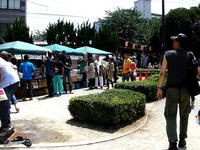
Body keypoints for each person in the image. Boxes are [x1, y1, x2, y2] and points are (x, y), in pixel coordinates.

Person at [157, 33, 200, 150]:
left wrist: (159, 88)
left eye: (175, 40)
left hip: (172, 90)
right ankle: (182, 140)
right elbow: (198, 72)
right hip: (186, 90)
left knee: (170, 115)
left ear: (178, 43)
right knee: (184, 115)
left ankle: (172, 143)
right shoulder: (190, 54)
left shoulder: (168, 54)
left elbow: (162, 73)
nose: (173, 41)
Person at [0, 57, 19, 132]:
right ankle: (5, 124)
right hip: (8, 82)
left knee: (2, 103)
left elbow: (0, 72)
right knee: (2, 103)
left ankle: (5, 126)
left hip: (8, 83)